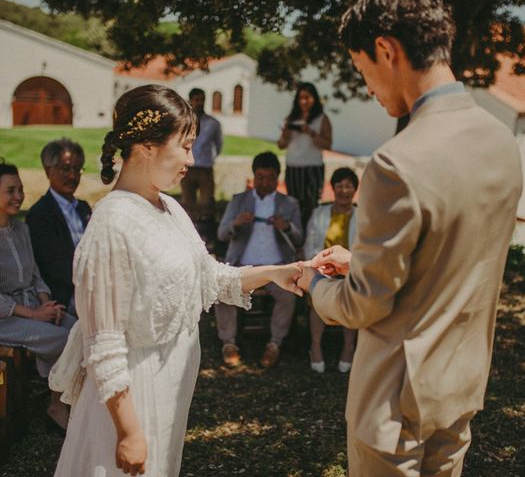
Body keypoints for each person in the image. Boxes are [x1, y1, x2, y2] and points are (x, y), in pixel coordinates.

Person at [298, 0, 523, 476]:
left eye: (362, 71)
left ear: (386, 49)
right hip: (460, 389)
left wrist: (314, 286)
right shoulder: (501, 141)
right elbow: (448, 261)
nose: (368, 88)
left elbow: (364, 307)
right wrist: (361, 261)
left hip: (396, 409)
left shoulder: (395, 164)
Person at [49, 85, 302, 477]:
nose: (192, 158)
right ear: (148, 145)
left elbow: (209, 275)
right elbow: (105, 344)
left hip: (171, 388)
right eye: (184, 146)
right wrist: (129, 432)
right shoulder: (112, 224)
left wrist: (276, 274)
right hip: (136, 396)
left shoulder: (168, 206)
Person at [0, 159, 75, 432]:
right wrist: (34, 314)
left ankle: (69, 399)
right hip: (5, 319)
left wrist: (47, 304)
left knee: (80, 330)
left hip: (33, 306)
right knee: (63, 339)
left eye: (20, 189)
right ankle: (56, 405)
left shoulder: (21, 228)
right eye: (11, 190)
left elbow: (35, 275)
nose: (19, 196)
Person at [215, 151, 303, 369]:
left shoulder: (289, 204)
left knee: (287, 296)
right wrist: (236, 223)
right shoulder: (239, 200)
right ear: (253, 177)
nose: (265, 183)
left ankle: (274, 343)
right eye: (260, 177)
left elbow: (299, 238)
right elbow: (221, 234)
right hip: (243, 265)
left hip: (277, 266)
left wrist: (288, 227)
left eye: (270, 177)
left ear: (278, 178)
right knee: (224, 290)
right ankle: (228, 343)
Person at [26, 139, 91, 316]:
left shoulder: (83, 208)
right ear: (48, 171)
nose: (72, 176)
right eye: (65, 169)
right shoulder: (40, 215)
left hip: (93, 288)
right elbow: (55, 268)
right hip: (65, 298)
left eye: (77, 169)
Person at [303, 167, 358, 374]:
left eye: (348, 186)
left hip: (349, 270)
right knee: (317, 294)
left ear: (354, 190)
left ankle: (349, 346)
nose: (344, 190)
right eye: (340, 186)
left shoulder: (362, 216)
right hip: (323, 267)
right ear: (333, 188)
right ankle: (315, 346)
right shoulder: (320, 213)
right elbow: (310, 243)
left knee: (352, 296)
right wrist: (320, 266)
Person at [277, 82, 332, 227]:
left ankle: (311, 239)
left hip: (312, 167)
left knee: (311, 206)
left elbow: (328, 144)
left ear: (314, 98)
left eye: (307, 97)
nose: (304, 101)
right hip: (293, 167)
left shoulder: (322, 118)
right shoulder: (291, 118)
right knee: (294, 206)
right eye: (301, 98)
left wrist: (311, 133)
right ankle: (296, 237)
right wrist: (285, 135)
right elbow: (281, 145)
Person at [180, 87, 223, 220]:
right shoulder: (184, 121)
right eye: (197, 100)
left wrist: (211, 159)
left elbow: (218, 144)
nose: (200, 103)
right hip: (187, 168)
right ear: (191, 101)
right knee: (188, 203)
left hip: (205, 168)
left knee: (206, 203)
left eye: (202, 100)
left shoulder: (213, 123)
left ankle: (205, 230)